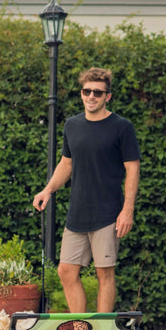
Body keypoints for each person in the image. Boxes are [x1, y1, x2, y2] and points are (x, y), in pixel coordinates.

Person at [33, 67, 140, 313]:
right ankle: (81, 328)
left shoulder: (122, 127)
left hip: (108, 212)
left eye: (98, 92)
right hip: (77, 213)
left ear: (107, 97)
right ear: (81, 93)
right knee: (66, 271)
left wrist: (127, 210)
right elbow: (66, 163)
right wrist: (47, 190)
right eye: (87, 91)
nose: (91, 96)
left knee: (104, 273)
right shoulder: (72, 125)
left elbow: (132, 169)